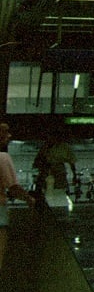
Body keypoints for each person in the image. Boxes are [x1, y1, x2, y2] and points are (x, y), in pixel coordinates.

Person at [0, 120, 29, 280]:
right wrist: (30, 200)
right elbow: (13, 188)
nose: (9, 136)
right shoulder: (3, 158)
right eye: (5, 133)